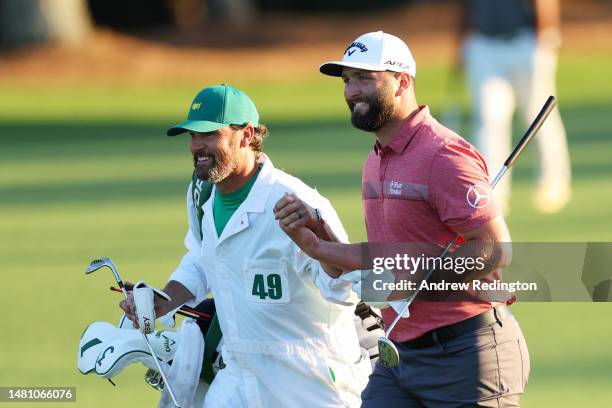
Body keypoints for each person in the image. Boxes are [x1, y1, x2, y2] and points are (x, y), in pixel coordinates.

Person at [276, 31, 530, 407]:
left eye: (365, 78)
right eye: (347, 81)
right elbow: (382, 260)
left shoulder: (444, 156)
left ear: (403, 82)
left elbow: (494, 250)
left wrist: (417, 273)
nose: (352, 91)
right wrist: (319, 242)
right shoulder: (376, 160)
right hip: (400, 353)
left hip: (466, 354)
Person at [118, 84, 371, 407]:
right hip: (238, 372)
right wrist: (163, 300)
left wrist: (319, 237)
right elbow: (201, 256)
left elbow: (342, 287)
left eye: (210, 135)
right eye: (192, 136)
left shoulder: (295, 201)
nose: (197, 146)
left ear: (247, 135)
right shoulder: (202, 194)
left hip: (308, 380)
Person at [458, 0, 571, 213]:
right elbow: (466, 6)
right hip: (484, 43)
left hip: (525, 41)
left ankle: (554, 181)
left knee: (539, 116)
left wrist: (548, 32)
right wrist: (461, 41)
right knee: (489, 118)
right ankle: (492, 191)